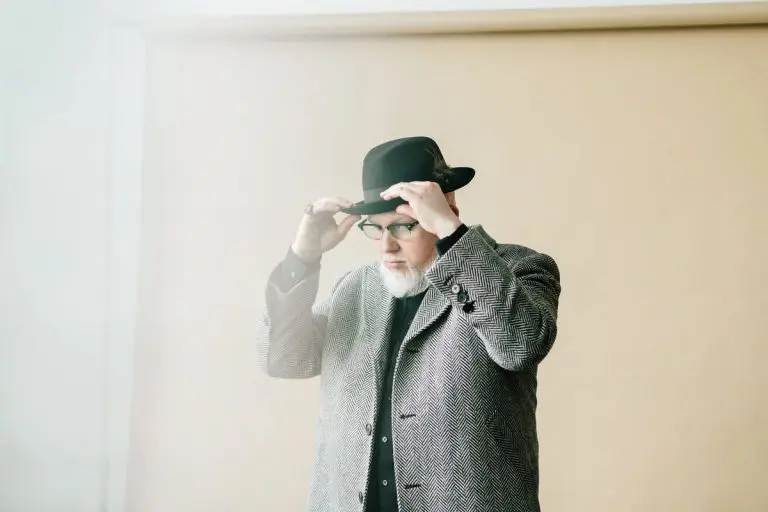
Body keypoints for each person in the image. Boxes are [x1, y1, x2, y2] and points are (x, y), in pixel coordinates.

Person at [255, 136, 562, 512]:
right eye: (375, 228)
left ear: (445, 212)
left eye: (403, 227)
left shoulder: (517, 269)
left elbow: (522, 344)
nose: (387, 246)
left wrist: (453, 234)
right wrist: (301, 258)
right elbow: (282, 358)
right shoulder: (354, 288)